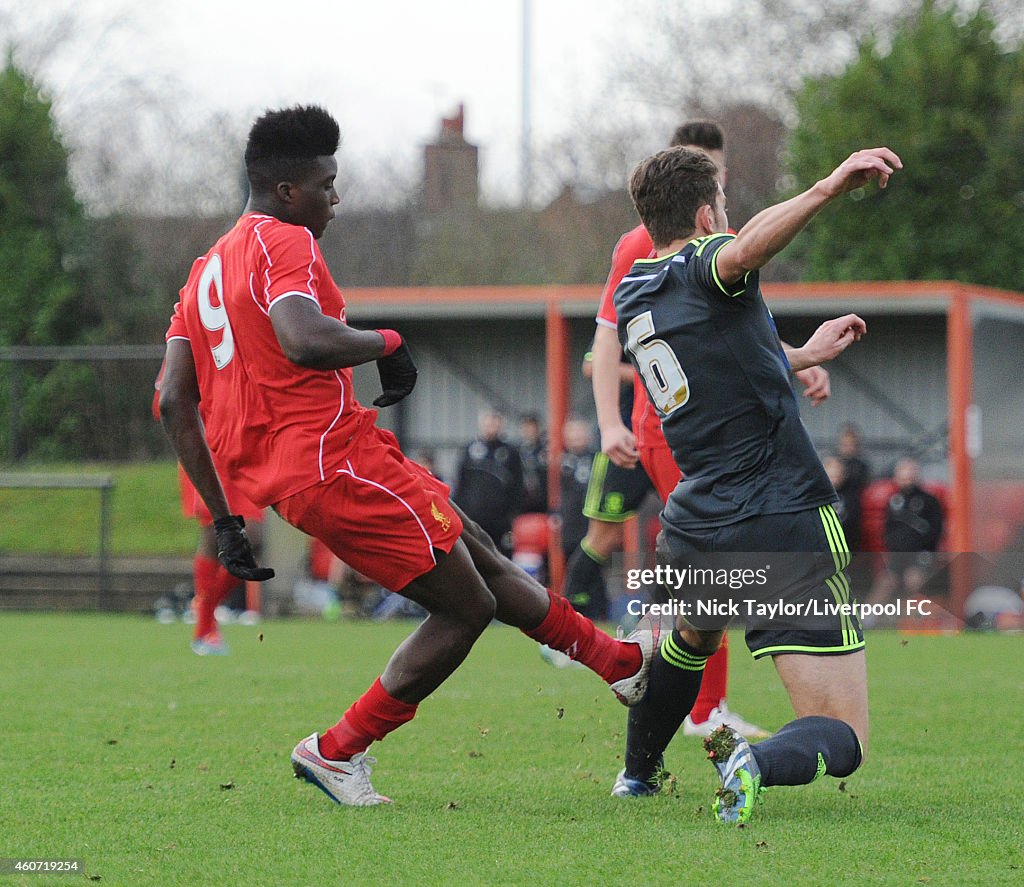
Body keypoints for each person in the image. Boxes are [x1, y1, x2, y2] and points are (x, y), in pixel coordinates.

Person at [157, 104, 657, 808]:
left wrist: (226, 517)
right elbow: (301, 337)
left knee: (476, 547)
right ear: (288, 191)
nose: (337, 196)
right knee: (465, 606)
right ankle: (337, 749)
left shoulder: (206, 269)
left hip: (323, 463)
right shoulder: (284, 242)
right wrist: (386, 342)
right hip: (333, 462)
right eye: (328, 184)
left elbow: (173, 401)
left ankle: (617, 663)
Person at [612, 142, 901, 821]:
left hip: (695, 524)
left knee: (691, 636)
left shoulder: (634, 292)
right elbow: (737, 256)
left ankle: (637, 773)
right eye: (727, 214)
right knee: (846, 737)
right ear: (709, 213)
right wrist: (827, 186)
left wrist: (798, 354)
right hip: (780, 518)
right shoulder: (711, 257)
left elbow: (714, 353)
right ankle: (754, 758)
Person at [577, 121, 794, 745]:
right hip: (670, 427)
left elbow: (739, 336)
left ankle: (664, 673)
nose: (718, 183)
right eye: (708, 172)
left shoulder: (718, 242)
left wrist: (798, 359)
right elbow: (606, 337)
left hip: (715, 428)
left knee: (711, 567)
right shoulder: (638, 246)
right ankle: (686, 695)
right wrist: (610, 420)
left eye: (721, 171)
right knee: (713, 567)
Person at [153, 365, 265, 655]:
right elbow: (166, 400)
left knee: (252, 539)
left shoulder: (246, 328)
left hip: (244, 448)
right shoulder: (189, 333)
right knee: (215, 534)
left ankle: (205, 611)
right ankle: (205, 628)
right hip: (209, 449)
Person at [865, 456, 944, 613]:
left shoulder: (929, 500)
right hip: (898, 554)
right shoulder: (894, 500)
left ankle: (915, 620)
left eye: (910, 473)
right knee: (886, 582)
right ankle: (866, 619)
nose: (907, 478)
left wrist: (926, 549)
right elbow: (888, 528)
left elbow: (935, 530)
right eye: (903, 474)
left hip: (921, 553)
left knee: (913, 580)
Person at [453, 408, 525, 557]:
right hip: (473, 518)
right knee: (475, 556)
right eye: (488, 422)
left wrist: (512, 514)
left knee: (503, 558)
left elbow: (518, 486)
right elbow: (461, 483)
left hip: (501, 521)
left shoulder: (510, 453)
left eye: (495, 422)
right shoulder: (470, 450)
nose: (492, 426)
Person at [517, 413, 549, 514]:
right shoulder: (516, 451)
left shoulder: (546, 450)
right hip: (523, 501)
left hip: (543, 501)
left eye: (532, 427)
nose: (529, 431)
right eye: (525, 427)